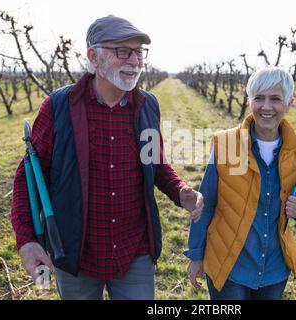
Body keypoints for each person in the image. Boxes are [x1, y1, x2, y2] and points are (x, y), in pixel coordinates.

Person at [11, 15, 203, 300]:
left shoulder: (147, 105)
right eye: (122, 51)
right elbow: (29, 175)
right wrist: (26, 238)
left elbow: (156, 162)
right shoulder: (59, 107)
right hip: (76, 251)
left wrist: (180, 192)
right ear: (94, 57)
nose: (134, 60)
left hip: (133, 249)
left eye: (138, 52)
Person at [185, 67, 296, 300]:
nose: (266, 106)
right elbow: (206, 203)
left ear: (289, 103)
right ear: (249, 100)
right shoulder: (227, 144)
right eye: (259, 98)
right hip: (229, 264)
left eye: (275, 99)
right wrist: (196, 255)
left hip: (274, 267)